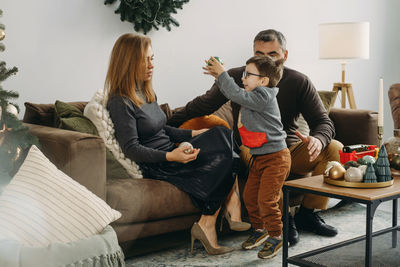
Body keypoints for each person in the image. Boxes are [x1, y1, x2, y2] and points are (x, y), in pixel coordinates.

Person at [167, 29, 343, 246]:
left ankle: (307, 213)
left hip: (288, 148)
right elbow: (203, 105)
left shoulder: (298, 81)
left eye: (273, 55)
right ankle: (282, 219)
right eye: (259, 53)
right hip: (251, 147)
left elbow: (323, 122)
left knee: (334, 147)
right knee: (268, 160)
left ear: (285, 55)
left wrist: (318, 139)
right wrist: (167, 121)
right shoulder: (237, 78)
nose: (265, 60)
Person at [105, 33, 250, 256]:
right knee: (224, 144)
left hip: (173, 151)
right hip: (158, 163)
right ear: (128, 61)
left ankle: (211, 219)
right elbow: (131, 148)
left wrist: (192, 133)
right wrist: (171, 156)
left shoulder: (145, 90)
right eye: (145, 60)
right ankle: (221, 211)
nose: (152, 65)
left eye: (152, 58)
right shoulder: (120, 100)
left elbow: (162, 129)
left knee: (223, 134)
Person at [204, 55, 291, 259]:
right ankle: (260, 231)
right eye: (244, 74)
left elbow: (237, 94)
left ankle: (277, 236)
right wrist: (219, 76)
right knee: (250, 197)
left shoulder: (264, 96)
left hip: (277, 158)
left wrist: (223, 74)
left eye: (248, 75)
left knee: (266, 200)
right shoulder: (252, 94)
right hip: (259, 158)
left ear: (263, 81)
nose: (243, 78)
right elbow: (233, 92)